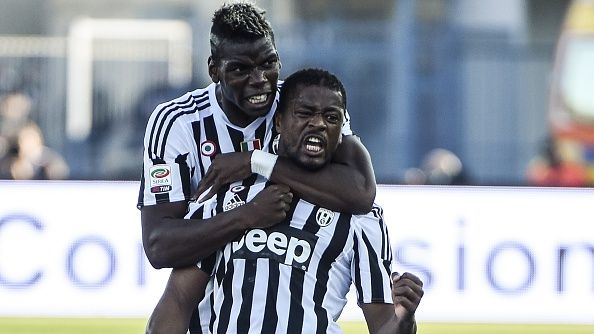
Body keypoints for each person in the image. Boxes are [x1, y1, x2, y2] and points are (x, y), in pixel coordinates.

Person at [146, 69, 424, 334]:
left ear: (342, 131)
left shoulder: (362, 220)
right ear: (279, 122)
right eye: (305, 114)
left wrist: (405, 316)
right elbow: (178, 300)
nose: (318, 124)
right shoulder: (228, 196)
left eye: (331, 118)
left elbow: (385, 325)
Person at [138, 2, 376, 271]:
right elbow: (159, 247)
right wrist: (247, 216)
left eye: (268, 64)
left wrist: (255, 161)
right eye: (241, 69)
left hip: (291, 288)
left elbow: (360, 193)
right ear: (214, 70)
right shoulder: (177, 122)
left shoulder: (308, 105)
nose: (260, 79)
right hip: (207, 296)